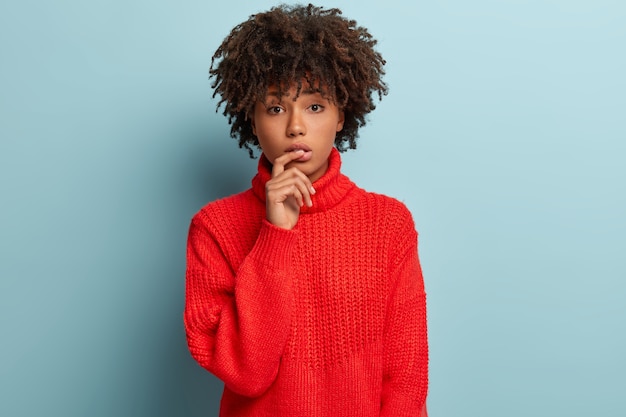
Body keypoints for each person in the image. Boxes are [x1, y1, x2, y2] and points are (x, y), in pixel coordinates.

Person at [184, 4, 428, 416]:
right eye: (276, 108)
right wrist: (275, 236)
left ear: (340, 117)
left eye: (315, 106)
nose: (295, 126)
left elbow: (406, 376)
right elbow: (247, 374)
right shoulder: (214, 227)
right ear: (252, 118)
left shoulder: (388, 223)